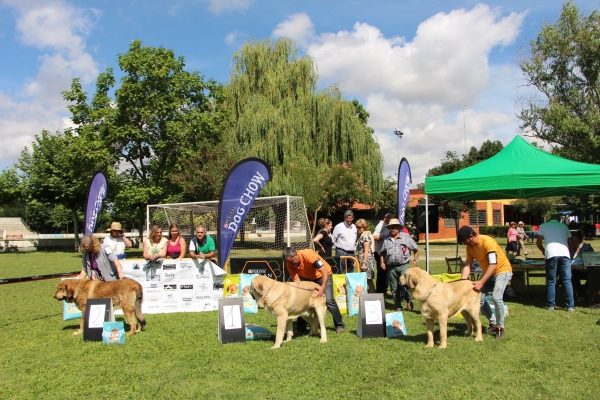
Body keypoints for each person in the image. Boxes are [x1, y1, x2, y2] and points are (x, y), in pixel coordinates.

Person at [457, 226, 513, 339]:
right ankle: (493, 323)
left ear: (471, 237)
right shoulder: (470, 248)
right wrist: (462, 281)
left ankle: (500, 327)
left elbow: (493, 264)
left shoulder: (487, 241)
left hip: (502, 270)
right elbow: (468, 265)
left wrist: (481, 281)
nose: (465, 244)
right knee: (479, 299)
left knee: (496, 298)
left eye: (465, 241)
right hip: (489, 272)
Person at [282, 247, 345, 334]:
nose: (291, 264)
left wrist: (322, 287)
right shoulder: (289, 263)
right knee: (301, 301)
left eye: (292, 262)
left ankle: (339, 325)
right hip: (307, 278)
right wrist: (302, 294)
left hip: (323, 275)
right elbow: (297, 282)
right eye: (289, 263)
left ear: (296, 255)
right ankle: (301, 328)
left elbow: (324, 271)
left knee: (329, 300)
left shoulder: (309, 255)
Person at [536, 214, 575, 312]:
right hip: (565, 254)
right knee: (567, 280)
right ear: (559, 219)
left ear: (550, 219)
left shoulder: (543, 226)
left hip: (551, 253)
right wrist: (568, 250)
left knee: (551, 280)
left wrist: (543, 250)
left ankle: (551, 304)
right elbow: (571, 243)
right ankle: (570, 305)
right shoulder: (564, 226)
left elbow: (538, 242)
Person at [379, 218, 418, 311]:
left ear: (398, 228)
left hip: (403, 265)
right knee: (394, 287)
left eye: (394, 227)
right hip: (391, 267)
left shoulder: (406, 237)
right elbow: (382, 252)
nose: (392, 229)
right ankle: (397, 305)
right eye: (390, 227)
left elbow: (415, 248)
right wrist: (382, 262)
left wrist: (415, 260)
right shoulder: (387, 239)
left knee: (406, 285)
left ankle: (409, 301)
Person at [569, 229, 594, 304]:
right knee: (572, 275)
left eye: (576, 241)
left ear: (580, 240)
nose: (574, 243)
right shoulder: (572, 250)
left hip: (587, 270)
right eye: (572, 241)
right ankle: (581, 292)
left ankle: (583, 290)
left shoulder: (586, 247)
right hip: (576, 271)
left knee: (594, 276)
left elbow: (592, 259)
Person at [373, 213, 393, 294]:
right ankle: (380, 291)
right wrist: (385, 238)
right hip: (380, 253)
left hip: (385, 253)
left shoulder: (386, 226)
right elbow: (374, 236)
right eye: (391, 219)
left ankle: (384, 290)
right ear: (386, 218)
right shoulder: (380, 225)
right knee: (382, 273)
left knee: (385, 274)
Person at [355, 219, 376, 293]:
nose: (358, 229)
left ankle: (371, 297)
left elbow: (366, 250)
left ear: (364, 226)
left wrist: (364, 263)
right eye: (356, 227)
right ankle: (366, 295)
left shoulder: (365, 235)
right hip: (363, 260)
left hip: (366, 261)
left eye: (359, 227)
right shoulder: (363, 235)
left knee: (368, 280)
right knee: (366, 279)